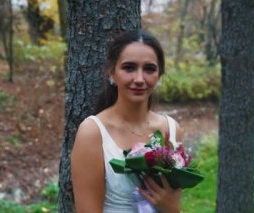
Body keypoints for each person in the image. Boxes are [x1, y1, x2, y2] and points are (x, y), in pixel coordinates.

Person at [71, 30, 183, 213]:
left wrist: (171, 208)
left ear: (159, 75)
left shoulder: (171, 129)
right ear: (111, 73)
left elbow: (173, 203)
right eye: (129, 68)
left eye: (149, 69)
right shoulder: (92, 133)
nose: (139, 79)